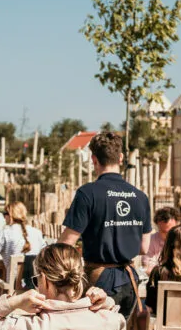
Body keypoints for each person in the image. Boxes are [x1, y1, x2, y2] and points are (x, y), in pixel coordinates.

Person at [58, 131, 152, 319]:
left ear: (93, 159)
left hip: (99, 281)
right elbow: (144, 247)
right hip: (130, 280)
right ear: (121, 157)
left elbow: (65, 244)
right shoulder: (140, 197)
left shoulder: (88, 193)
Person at [141, 207, 180, 274]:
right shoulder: (151, 241)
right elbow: (147, 267)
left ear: (177, 225)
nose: (168, 235)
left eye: (171, 231)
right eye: (164, 232)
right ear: (157, 226)